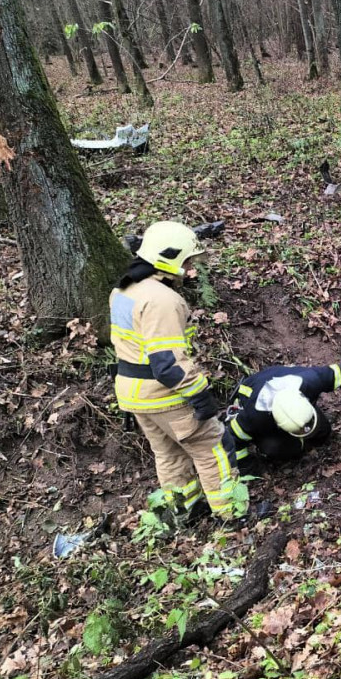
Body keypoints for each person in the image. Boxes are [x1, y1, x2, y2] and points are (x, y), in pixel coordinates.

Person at [109, 221, 248, 523]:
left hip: (132, 394)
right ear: (169, 258)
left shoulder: (124, 288)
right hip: (163, 395)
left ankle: (185, 511)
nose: (189, 267)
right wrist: (199, 395)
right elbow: (168, 365)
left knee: (169, 454)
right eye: (186, 260)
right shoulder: (162, 300)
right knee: (214, 448)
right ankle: (232, 513)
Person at [221, 363, 341, 472]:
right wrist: (248, 467)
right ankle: (293, 445)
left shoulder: (309, 381)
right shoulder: (254, 417)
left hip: (280, 380)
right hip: (252, 392)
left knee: (323, 432)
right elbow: (232, 440)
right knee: (277, 449)